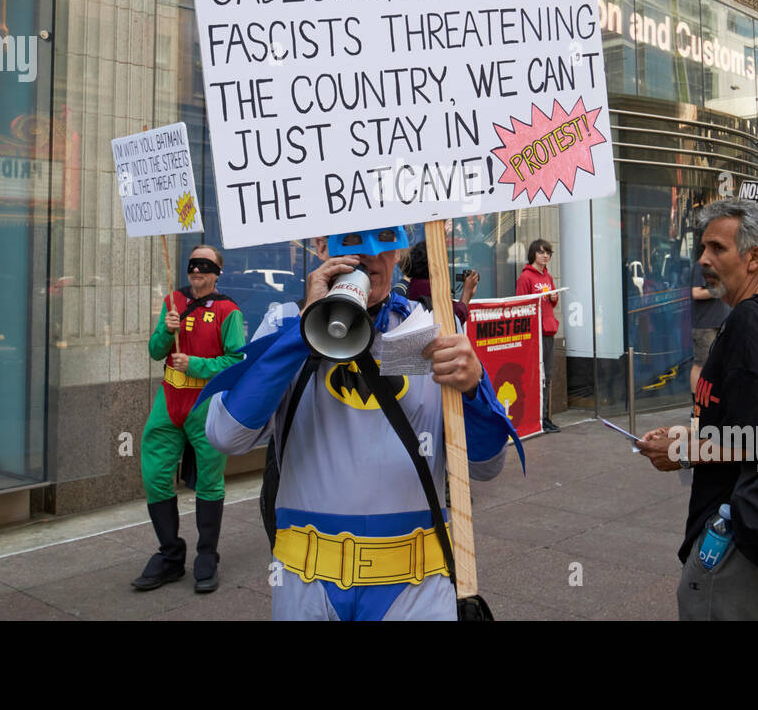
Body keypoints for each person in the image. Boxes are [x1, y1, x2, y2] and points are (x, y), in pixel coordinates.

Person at [204, 225, 521, 621]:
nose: (368, 255)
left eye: (384, 239)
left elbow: (487, 466)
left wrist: (474, 390)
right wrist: (304, 329)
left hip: (416, 589)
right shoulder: (285, 321)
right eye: (350, 239)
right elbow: (226, 434)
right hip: (308, 587)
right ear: (321, 246)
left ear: (399, 252)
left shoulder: (436, 329)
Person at [638, 199, 758, 620]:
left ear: (754, 258)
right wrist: (686, 434)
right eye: (702, 248)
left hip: (746, 533)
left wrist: (681, 453)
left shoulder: (749, 322)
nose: (703, 259)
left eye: (718, 248)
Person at [133, 245, 246, 593]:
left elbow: (237, 360)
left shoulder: (229, 311)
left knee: (210, 480)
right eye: (193, 264)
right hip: (168, 400)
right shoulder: (173, 302)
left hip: (205, 403)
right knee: (154, 475)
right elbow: (154, 352)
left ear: (217, 272)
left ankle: (207, 555)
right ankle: (170, 556)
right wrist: (166, 331)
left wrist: (195, 365)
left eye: (205, 265)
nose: (197, 271)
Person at [517, 238, 561, 434]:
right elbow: (520, 305)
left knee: (548, 376)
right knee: (537, 376)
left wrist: (553, 297)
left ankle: (545, 417)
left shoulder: (548, 277)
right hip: (534, 334)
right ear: (533, 254)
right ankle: (537, 419)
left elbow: (552, 303)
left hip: (548, 331)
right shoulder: (526, 277)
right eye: (542, 252)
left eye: (548, 253)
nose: (545, 256)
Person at [396, 240, 477, 323]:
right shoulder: (427, 287)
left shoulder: (417, 284)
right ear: (435, 264)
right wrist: (467, 293)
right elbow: (454, 318)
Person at [690, 240, 729, 395]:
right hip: (705, 325)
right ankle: (696, 403)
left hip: (721, 322)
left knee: (719, 364)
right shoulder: (700, 267)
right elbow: (696, 293)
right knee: (701, 364)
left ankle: (713, 399)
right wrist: (717, 292)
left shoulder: (719, 267)